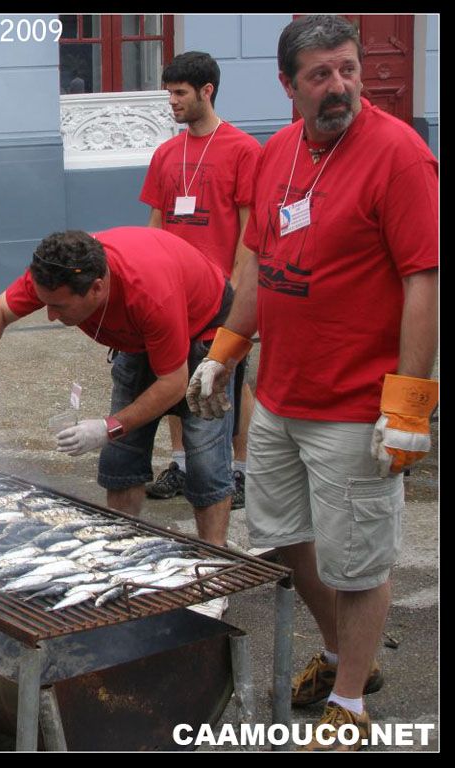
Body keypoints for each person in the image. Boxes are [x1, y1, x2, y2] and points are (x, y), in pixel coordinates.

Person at [186, 15, 438, 750]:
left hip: (357, 406)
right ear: (288, 85)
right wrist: (225, 349)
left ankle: (352, 707)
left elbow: (424, 281)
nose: (340, 88)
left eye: (348, 70)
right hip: (281, 397)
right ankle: (337, 658)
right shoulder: (278, 155)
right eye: (321, 75)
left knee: (358, 560)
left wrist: (411, 405)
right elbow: (263, 263)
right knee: (285, 538)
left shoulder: (401, 158)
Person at [0, 227, 238, 618]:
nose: (49, 314)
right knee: (121, 460)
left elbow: (173, 383)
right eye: (45, 304)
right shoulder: (55, 271)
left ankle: (212, 572)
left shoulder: (150, 293)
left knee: (204, 458)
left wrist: (108, 426)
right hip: (137, 339)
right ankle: (121, 556)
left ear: (96, 289)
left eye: (59, 308)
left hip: (205, 330)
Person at [140, 51, 260, 513]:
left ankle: (240, 469)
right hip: (174, 289)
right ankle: (182, 464)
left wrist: (236, 286)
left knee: (229, 375)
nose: (171, 101)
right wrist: (149, 274)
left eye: (180, 93)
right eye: (169, 92)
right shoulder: (166, 153)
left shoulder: (243, 149)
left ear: (206, 91)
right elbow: (155, 219)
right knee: (174, 367)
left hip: (221, 291)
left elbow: (251, 227)